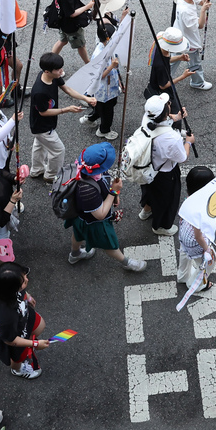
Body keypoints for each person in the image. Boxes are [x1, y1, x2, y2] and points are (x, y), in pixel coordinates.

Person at [66, 142, 147, 272]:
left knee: (78, 234)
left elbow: (105, 182)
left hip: (80, 217)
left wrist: (114, 195)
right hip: (94, 222)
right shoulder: (86, 189)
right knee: (109, 244)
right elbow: (100, 214)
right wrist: (113, 192)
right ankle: (127, 263)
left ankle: (75, 254)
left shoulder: (87, 169)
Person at [28, 52, 95, 183]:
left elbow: (67, 89)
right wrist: (67, 110)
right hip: (42, 126)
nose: (61, 71)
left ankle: (37, 170)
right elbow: (43, 112)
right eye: (58, 69)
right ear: (47, 71)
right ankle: (51, 176)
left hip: (41, 126)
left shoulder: (52, 77)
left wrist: (86, 98)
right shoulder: (39, 91)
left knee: (39, 145)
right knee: (58, 150)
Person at [136, 94, 193, 235]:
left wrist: (177, 117)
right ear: (166, 111)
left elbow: (164, 120)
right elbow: (182, 157)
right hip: (165, 174)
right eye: (168, 104)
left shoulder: (147, 119)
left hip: (147, 168)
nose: (170, 103)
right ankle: (160, 226)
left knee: (149, 191)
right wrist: (189, 142)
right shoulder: (171, 138)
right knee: (166, 199)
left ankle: (146, 211)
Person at [0, 261, 49, 379]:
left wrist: (28, 296)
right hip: (16, 336)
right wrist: (34, 343)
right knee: (18, 357)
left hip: (23, 319)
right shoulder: (5, 316)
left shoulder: (4, 288)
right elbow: (11, 340)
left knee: (37, 327)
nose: (27, 279)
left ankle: (28, 344)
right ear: (12, 289)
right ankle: (18, 370)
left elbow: (19, 292)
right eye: (24, 281)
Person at [82, 12, 125, 139]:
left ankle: (90, 118)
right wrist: (111, 66)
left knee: (104, 107)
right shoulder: (99, 54)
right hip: (103, 90)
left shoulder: (108, 48)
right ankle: (104, 130)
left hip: (110, 87)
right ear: (107, 39)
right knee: (107, 112)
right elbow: (98, 76)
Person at [176, 166, 216, 292]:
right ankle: (196, 284)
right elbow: (198, 236)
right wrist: (207, 249)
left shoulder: (189, 200)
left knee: (184, 254)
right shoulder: (201, 206)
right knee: (210, 261)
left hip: (184, 235)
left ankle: (182, 276)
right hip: (196, 242)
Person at [50, 0, 94, 64]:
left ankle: (50, 61)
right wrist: (88, 6)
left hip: (62, 22)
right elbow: (72, 14)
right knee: (81, 45)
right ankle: (88, 63)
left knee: (63, 40)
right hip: (70, 25)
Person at [171, 0, 213, 90]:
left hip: (178, 36)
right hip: (189, 41)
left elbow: (204, 2)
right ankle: (197, 82)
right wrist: (203, 10)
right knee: (194, 63)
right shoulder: (186, 11)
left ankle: (163, 80)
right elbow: (199, 25)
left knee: (173, 60)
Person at [146, 27, 192, 124]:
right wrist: (182, 76)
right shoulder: (161, 66)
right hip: (162, 92)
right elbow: (163, 85)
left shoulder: (161, 49)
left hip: (155, 84)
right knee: (173, 114)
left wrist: (179, 57)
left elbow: (167, 60)